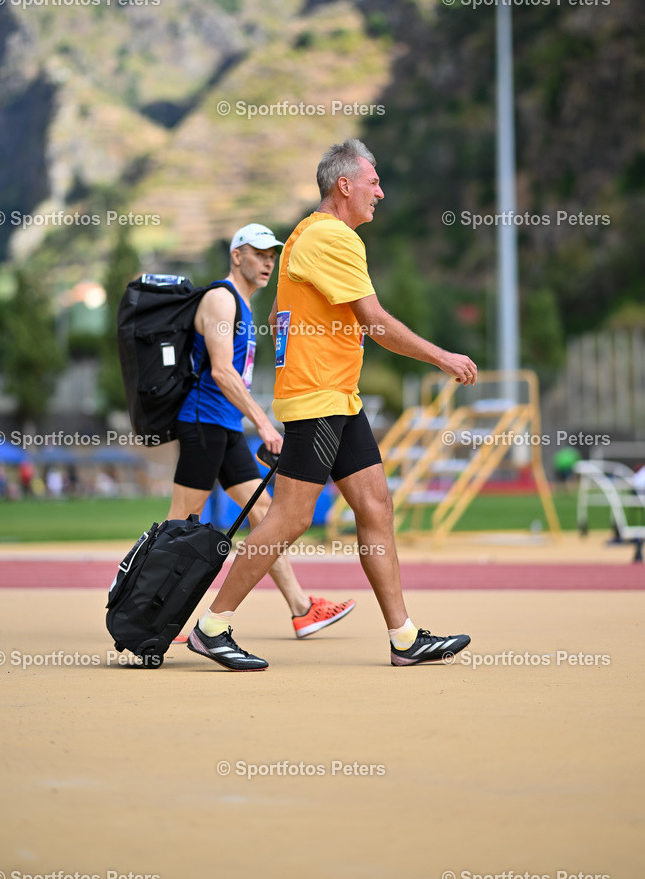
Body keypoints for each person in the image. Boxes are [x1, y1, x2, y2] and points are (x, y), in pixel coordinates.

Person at [186, 139, 478, 672]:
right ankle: (213, 626)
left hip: (338, 397)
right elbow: (377, 323)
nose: (380, 193)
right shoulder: (332, 238)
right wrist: (441, 357)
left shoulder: (304, 234)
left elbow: (280, 313)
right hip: (318, 398)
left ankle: (404, 637)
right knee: (291, 517)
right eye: (374, 183)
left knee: (375, 508)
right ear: (344, 186)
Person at [168, 222, 356, 641]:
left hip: (225, 426)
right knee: (179, 524)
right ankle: (151, 606)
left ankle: (302, 608)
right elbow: (221, 371)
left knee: (262, 515)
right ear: (237, 256)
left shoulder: (245, 307)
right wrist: (264, 422)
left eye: (272, 255)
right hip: (203, 424)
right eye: (258, 254)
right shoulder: (220, 298)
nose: (268, 262)